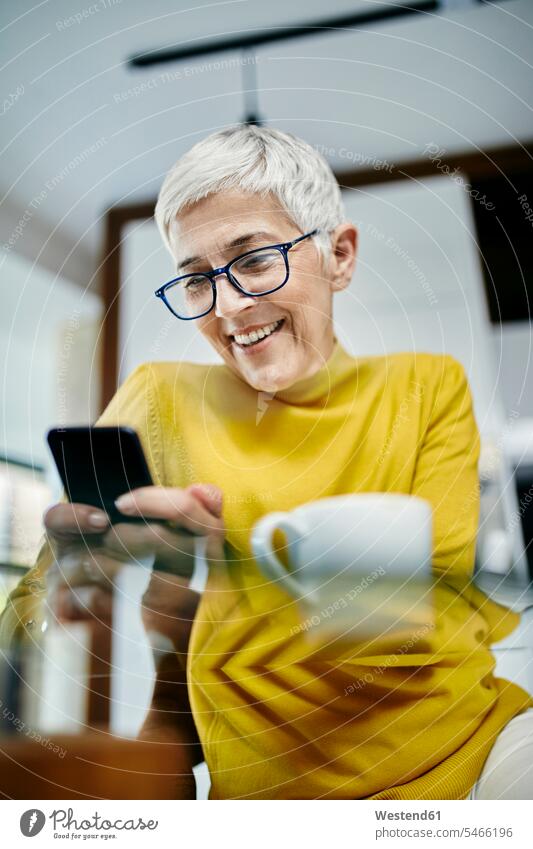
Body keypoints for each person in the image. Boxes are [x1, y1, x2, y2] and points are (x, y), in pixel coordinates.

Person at [1, 126, 531, 799]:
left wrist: (228, 577)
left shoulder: (426, 386)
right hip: (266, 799)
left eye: (254, 261)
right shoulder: (161, 400)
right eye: (196, 278)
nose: (228, 308)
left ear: (337, 255)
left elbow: (427, 617)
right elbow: (31, 613)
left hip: (469, 757)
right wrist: (86, 583)